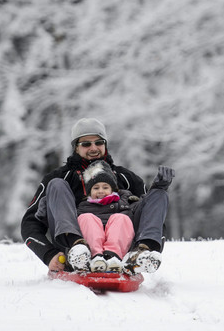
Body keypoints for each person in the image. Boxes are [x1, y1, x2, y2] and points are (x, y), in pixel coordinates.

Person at [20, 117, 174, 275]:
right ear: (76, 148)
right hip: (73, 249)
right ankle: (78, 250)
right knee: (56, 185)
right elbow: (29, 224)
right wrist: (48, 254)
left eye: (99, 142)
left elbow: (153, 218)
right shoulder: (60, 177)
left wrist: (158, 190)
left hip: (122, 251)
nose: (93, 148)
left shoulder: (126, 178)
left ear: (105, 145)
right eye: (86, 144)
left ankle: (139, 254)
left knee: (158, 194)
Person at [76, 160, 137, 273]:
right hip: (93, 251)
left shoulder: (123, 203)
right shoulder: (83, 207)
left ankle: (113, 257)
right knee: (86, 218)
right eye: (96, 188)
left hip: (117, 249)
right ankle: (96, 258)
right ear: (89, 192)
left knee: (121, 218)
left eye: (105, 187)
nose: (101, 191)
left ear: (112, 189)